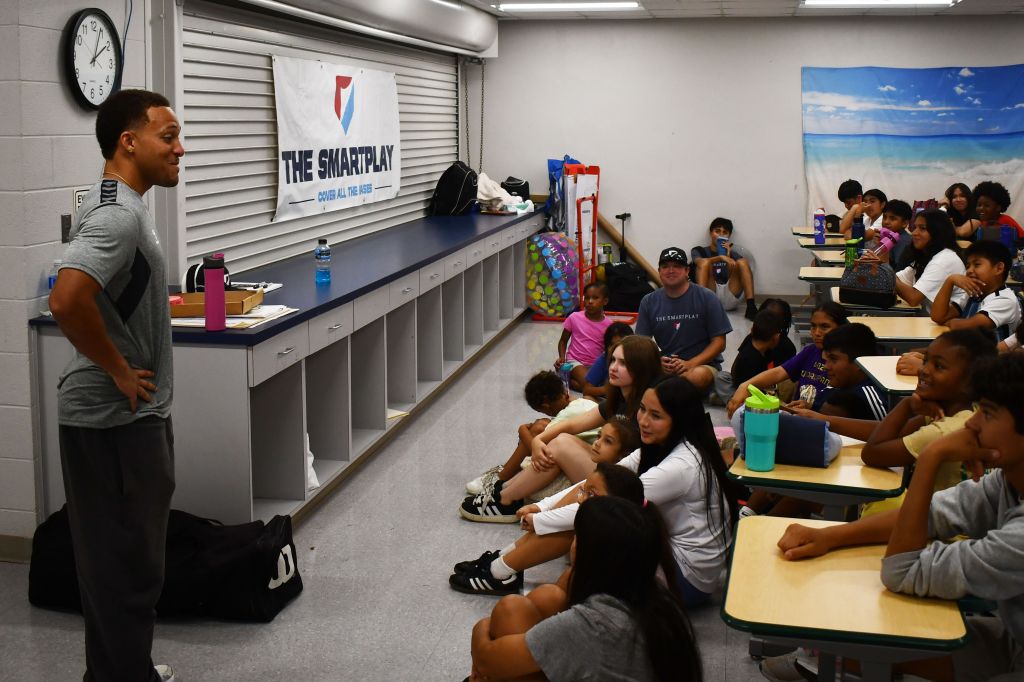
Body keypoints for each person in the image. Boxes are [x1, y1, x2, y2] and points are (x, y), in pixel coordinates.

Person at [773, 352, 1024, 682]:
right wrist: (828, 536)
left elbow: (901, 571)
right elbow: (933, 514)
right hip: (1011, 638)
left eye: (987, 414)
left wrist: (933, 456)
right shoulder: (1007, 483)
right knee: (853, 647)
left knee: (875, 637)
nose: (972, 424)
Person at [47, 89, 184, 682]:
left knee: (120, 568)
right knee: (126, 571)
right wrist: (120, 370)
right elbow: (66, 298)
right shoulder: (119, 215)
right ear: (129, 142)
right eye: (168, 136)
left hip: (121, 421)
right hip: (113, 421)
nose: (181, 148)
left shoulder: (117, 201)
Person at [466, 496, 702, 682]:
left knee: (505, 624)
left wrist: (483, 625)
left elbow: (488, 659)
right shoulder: (652, 592)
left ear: (592, 552)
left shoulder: (594, 625)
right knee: (516, 607)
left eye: (578, 536)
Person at [459, 336, 661, 522]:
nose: (613, 368)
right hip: (613, 469)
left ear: (640, 368)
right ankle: (504, 493)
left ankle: (505, 501)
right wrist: (538, 441)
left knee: (561, 446)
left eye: (623, 363)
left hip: (628, 485)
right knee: (560, 439)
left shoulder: (647, 409)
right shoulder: (618, 400)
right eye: (613, 360)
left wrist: (537, 439)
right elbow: (574, 424)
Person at [449, 437, 642, 596]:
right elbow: (586, 486)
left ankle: (499, 571)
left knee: (582, 517)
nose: (644, 419)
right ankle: (504, 560)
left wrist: (540, 519)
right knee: (583, 481)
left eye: (656, 415)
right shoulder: (645, 451)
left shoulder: (668, 469)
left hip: (624, 534)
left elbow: (607, 506)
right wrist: (541, 507)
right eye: (643, 409)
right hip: (614, 513)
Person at [857, 329, 997, 516]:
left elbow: (873, 453)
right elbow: (897, 433)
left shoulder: (945, 431)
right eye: (925, 361)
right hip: (948, 521)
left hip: (945, 533)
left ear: (969, 383)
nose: (924, 370)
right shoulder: (966, 411)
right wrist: (826, 421)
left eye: (938, 366)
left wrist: (907, 405)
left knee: (877, 503)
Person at [464, 370, 589, 496]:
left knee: (538, 428)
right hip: (588, 456)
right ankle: (508, 470)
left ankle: (500, 478)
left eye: (543, 412)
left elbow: (537, 447)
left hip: (586, 469)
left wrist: (522, 430)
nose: (548, 415)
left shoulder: (566, 415)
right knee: (542, 425)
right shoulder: (581, 402)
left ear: (546, 407)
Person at [727, 301, 849, 417]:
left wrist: (811, 407)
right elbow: (779, 372)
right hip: (795, 416)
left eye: (824, 327)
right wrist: (745, 386)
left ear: (842, 327)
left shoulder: (846, 362)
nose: (816, 332)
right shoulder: (811, 351)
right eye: (813, 326)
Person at [636, 247, 732, 393]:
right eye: (665, 266)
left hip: (701, 364)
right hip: (666, 364)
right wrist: (657, 363)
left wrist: (691, 364)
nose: (671, 270)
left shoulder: (707, 297)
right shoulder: (648, 301)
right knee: (631, 370)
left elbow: (719, 343)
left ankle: (666, 390)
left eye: (677, 266)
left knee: (698, 377)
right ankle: (675, 390)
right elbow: (641, 343)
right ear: (659, 271)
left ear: (687, 271)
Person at [782, 323, 887, 440]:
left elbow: (886, 434)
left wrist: (822, 420)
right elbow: (818, 409)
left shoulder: (870, 396)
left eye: (833, 359)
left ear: (859, 362)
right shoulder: (835, 386)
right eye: (826, 360)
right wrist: (807, 407)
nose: (826, 366)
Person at [929, 239, 1021, 342]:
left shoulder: (1005, 299)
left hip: (991, 357)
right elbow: (938, 316)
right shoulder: (974, 293)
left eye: (977, 265)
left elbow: (969, 327)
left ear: (998, 268)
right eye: (968, 266)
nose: (969, 271)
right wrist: (950, 281)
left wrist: (951, 322)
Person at [881, 208, 964, 312]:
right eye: (915, 227)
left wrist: (884, 268)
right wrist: (880, 264)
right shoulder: (926, 255)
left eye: (922, 228)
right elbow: (894, 281)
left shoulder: (944, 260)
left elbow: (913, 298)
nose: (914, 233)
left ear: (938, 232)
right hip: (926, 322)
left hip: (943, 325)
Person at [690, 217, 759, 321]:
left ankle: (751, 307)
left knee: (742, 262)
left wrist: (729, 255)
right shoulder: (699, 250)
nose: (720, 235)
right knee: (704, 263)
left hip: (730, 293)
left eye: (725, 232)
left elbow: (740, 270)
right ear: (711, 233)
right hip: (710, 294)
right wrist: (720, 257)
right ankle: (701, 308)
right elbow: (699, 262)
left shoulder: (732, 253)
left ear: (729, 236)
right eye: (717, 231)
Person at [711, 309, 784, 407]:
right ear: (776, 337)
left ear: (752, 330)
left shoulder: (751, 339)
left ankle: (729, 399)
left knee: (720, 377)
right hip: (747, 389)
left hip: (749, 387)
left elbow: (735, 366)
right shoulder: (752, 357)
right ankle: (735, 402)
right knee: (722, 377)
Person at [554, 282, 613, 390]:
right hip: (575, 361)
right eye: (587, 298)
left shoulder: (609, 325)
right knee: (589, 383)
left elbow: (609, 349)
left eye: (595, 298)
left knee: (599, 382)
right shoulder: (574, 317)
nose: (590, 301)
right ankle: (605, 393)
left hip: (597, 364)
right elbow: (563, 341)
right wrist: (562, 358)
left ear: (605, 301)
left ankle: (568, 381)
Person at [956, 180, 1023, 244]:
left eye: (987, 205)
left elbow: (1022, 238)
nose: (981, 208)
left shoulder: (1006, 220)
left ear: (998, 207)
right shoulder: (978, 223)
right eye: (979, 205)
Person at [581, 321, 634, 400]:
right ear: (606, 346)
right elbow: (586, 390)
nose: (616, 348)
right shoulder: (603, 359)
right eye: (612, 345)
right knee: (587, 398)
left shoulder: (636, 359)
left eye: (621, 344)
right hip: (608, 403)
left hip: (631, 403)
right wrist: (606, 389)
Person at [880, 198, 914, 268]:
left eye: (892, 218)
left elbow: (898, 269)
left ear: (904, 223)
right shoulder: (888, 237)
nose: (886, 222)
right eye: (884, 217)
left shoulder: (903, 241)